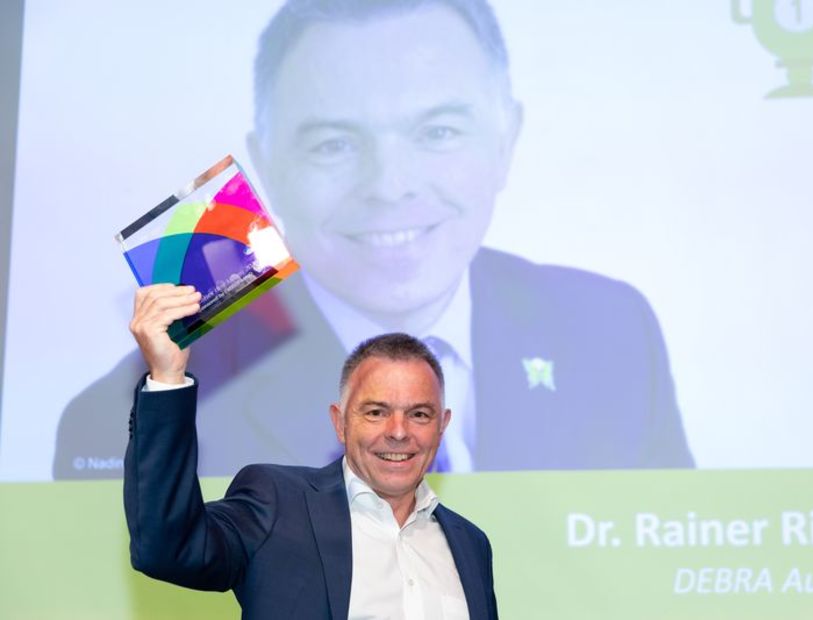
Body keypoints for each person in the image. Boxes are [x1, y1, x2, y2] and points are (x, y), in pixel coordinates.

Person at [55, 0, 693, 479]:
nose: (389, 187)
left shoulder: (613, 334)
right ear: (267, 166)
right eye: (334, 143)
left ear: (505, 141)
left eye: (438, 132)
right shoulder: (130, 421)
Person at [125, 283, 498, 619]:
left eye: (419, 414)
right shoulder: (278, 505)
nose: (398, 432)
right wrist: (167, 376)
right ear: (340, 422)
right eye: (375, 412)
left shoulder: (470, 544)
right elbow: (168, 549)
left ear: (442, 425)